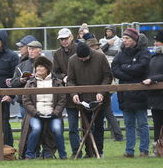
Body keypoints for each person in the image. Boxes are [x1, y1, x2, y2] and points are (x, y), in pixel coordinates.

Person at [67, 42, 113, 158]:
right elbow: (70, 80)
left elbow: (107, 76)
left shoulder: (100, 57)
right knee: (85, 127)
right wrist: (74, 94)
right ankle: (89, 152)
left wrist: (101, 92)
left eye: (85, 58)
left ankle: (99, 151)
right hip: (83, 100)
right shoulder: (72, 60)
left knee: (99, 126)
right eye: (80, 58)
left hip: (100, 99)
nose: (83, 60)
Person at [112, 28, 151, 158]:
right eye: (123, 38)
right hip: (125, 95)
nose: (124, 40)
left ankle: (144, 150)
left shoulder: (144, 53)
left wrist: (125, 69)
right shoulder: (121, 54)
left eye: (127, 38)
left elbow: (141, 69)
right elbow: (114, 69)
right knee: (128, 124)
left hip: (140, 94)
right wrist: (130, 73)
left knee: (142, 124)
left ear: (134, 39)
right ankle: (129, 151)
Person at [22, 56, 67, 159]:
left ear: (47, 68)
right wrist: (35, 113)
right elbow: (26, 100)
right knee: (36, 129)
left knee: (56, 129)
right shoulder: (30, 83)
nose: (38, 69)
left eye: (41, 66)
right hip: (36, 115)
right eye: (37, 66)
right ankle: (29, 155)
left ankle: (63, 155)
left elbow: (62, 100)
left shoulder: (57, 83)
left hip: (53, 114)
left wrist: (55, 113)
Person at [84, 32, 123, 141]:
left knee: (106, 112)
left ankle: (118, 135)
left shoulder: (98, 56)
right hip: (105, 87)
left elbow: (105, 74)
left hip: (104, 88)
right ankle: (118, 135)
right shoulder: (99, 54)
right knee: (107, 113)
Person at [52, 28, 81, 157]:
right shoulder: (57, 54)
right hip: (68, 93)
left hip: (83, 90)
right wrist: (64, 77)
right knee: (73, 126)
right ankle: (76, 152)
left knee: (88, 125)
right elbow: (55, 71)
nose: (64, 41)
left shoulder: (80, 49)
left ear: (71, 37)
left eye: (65, 38)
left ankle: (91, 151)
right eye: (61, 39)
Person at [143, 30, 163, 155]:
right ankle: (157, 148)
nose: (155, 44)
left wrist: (153, 79)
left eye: (158, 42)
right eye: (155, 41)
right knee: (157, 124)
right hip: (155, 97)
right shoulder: (154, 57)